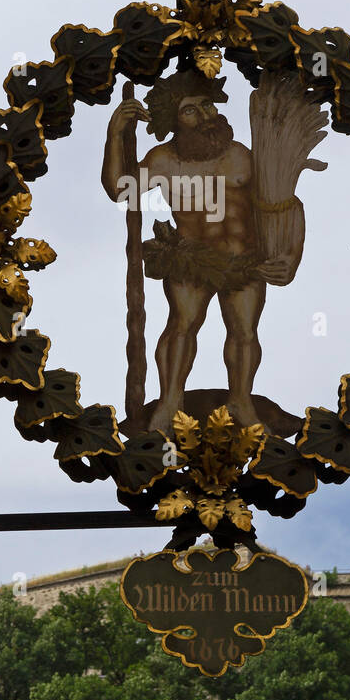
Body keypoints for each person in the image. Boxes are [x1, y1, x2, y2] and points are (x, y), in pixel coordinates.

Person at [101, 70, 293, 431]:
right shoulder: (163, 161)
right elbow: (121, 189)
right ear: (172, 120)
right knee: (181, 327)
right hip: (190, 259)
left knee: (245, 332)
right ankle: (170, 402)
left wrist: (288, 255)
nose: (205, 116)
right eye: (190, 110)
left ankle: (241, 402)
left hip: (244, 260)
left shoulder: (241, 155)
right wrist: (115, 134)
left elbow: (282, 204)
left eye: (207, 105)